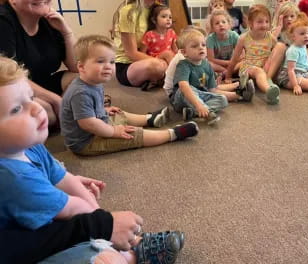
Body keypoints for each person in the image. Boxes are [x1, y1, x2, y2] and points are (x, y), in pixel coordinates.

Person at [0, 56, 185, 264]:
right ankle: (132, 255)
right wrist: (106, 225)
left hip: (40, 234)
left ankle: (130, 245)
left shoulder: (30, 145)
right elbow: (73, 208)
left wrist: (103, 221)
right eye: (16, 109)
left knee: (90, 216)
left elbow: (65, 179)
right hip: (27, 252)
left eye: (31, 98)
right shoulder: (12, 178)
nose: (36, 109)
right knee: (105, 260)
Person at [61, 35, 199, 156]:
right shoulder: (80, 92)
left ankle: (149, 119)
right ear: (81, 67)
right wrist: (114, 132)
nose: (108, 66)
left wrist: (103, 111)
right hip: (87, 141)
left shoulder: (94, 82)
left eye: (112, 62)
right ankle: (171, 134)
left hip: (96, 124)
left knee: (117, 113)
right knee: (130, 135)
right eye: (100, 61)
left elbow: (91, 111)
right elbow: (88, 124)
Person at [0, 0, 77, 127]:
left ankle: (69, 117)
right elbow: (10, 78)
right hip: (9, 88)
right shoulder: (3, 21)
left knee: (81, 81)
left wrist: (65, 31)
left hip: (38, 84)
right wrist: (56, 100)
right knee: (44, 111)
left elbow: (75, 67)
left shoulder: (48, 19)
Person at [170, 29, 254, 125]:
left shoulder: (207, 65)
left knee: (222, 100)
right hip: (181, 98)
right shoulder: (183, 65)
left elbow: (212, 90)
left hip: (202, 95)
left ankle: (192, 112)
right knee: (188, 88)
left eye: (203, 45)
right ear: (184, 52)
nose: (201, 48)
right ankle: (202, 110)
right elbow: (183, 87)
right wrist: (199, 105)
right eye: (194, 46)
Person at [112, 0, 168, 88]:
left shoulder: (158, 9)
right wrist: (162, 63)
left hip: (153, 56)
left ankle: (161, 78)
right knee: (156, 67)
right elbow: (131, 53)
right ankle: (163, 77)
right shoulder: (128, 11)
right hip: (129, 64)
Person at [226, 5, 281, 105]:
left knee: (280, 50)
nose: (264, 25)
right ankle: (268, 90)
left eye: (267, 21)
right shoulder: (243, 38)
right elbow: (234, 59)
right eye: (260, 22)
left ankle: (270, 89)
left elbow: (276, 55)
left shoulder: (271, 38)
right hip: (249, 67)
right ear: (250, 23)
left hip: (265, 67)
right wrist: (228, 76)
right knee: (258, 71)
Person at [206, 9, 240, 76]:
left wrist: (232, 62)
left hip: (232, 63)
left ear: (229, 24)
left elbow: (242, 55)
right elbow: (211, 59)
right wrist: (227, 63)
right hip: (218, 65)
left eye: (223, 22)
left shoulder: (234, 35)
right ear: (212, 27)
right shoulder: (210, 39)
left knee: (245, 62)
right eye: (217, 23)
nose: (221, 25)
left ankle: (225, 73)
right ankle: (227, 72)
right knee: (208, 64)